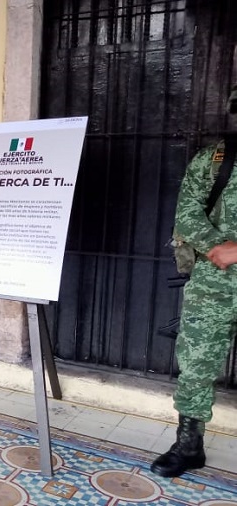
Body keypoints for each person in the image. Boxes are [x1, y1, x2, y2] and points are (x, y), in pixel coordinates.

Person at [151, 86, 237, 478]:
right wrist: (217, 246)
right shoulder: (216, 159)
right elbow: (187, 215)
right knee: (197, 363)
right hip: (213, 283)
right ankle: (189, 445)